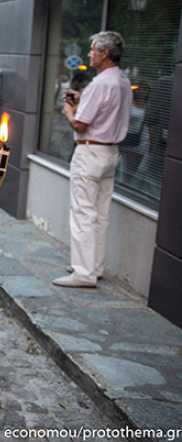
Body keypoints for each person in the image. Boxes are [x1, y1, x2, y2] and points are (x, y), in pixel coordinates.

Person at [55, 31, 132, 288]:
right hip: (111, 151)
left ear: (104, 52)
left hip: (90, 151)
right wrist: (81, 102)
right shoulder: (122, 81)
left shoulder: (99, 84)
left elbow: (80, 124)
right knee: (101, 213)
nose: (89, 54)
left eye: (92, 49)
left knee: (83, 212)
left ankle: (83, 272)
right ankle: (94, 266)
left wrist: (69, 111)